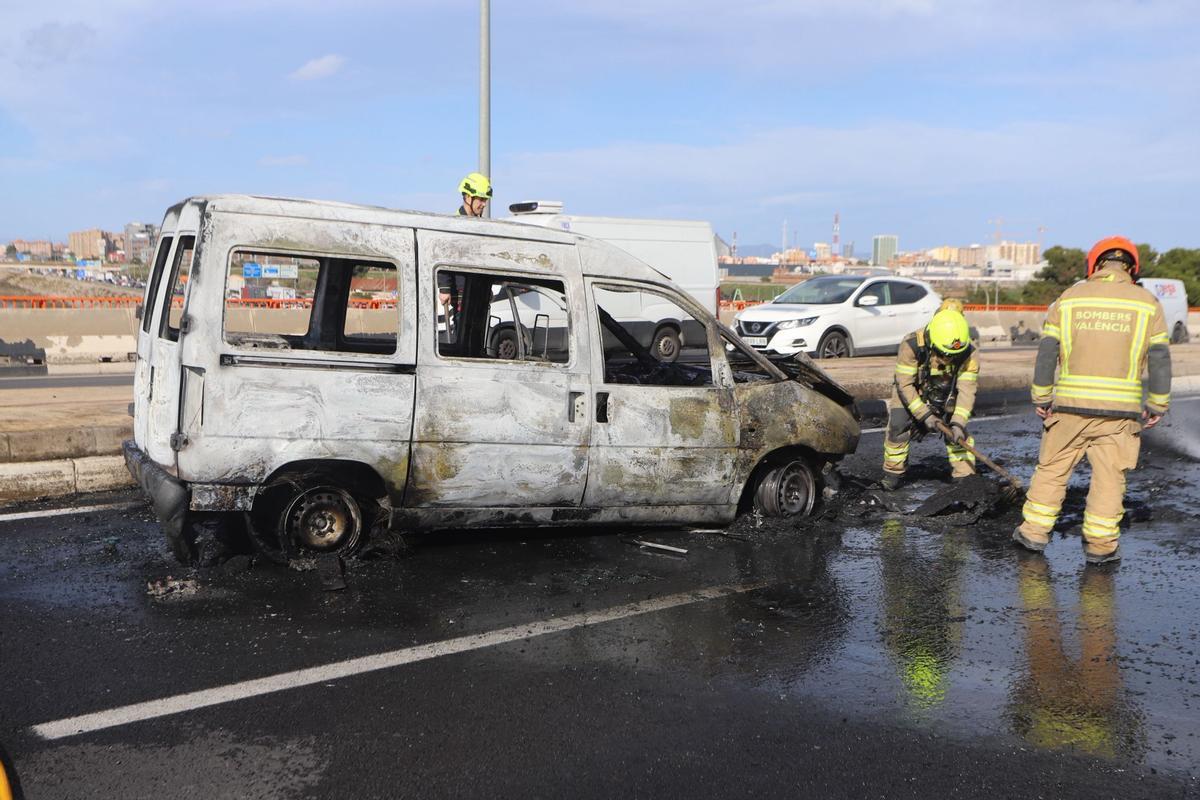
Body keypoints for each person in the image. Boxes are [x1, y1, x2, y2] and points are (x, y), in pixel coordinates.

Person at [1013, 236, 1171, 564]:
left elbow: (1046, 352)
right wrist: (1157, 403)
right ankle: (1100, 545)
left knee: (1053, 469)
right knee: (1110, 477)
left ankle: (1034, 532)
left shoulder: (1069, 298)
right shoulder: (1147, 303)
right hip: (1120, 413)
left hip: (1069, 407)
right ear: (1132, 267)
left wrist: (1041, 395)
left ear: (1094, 265)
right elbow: (1159, 357)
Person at [881, 305, 980, 490]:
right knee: (898, 425)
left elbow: (967, 390)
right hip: (914, 391)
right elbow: (904, 384)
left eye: (954, 356)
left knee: (958, 433)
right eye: (945, 355)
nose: (949, 360)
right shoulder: (911, 345)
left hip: (949, 392)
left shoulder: (970, 351)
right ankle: (893, 473)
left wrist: (958, 422)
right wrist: (924, 415)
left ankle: (965, 478)